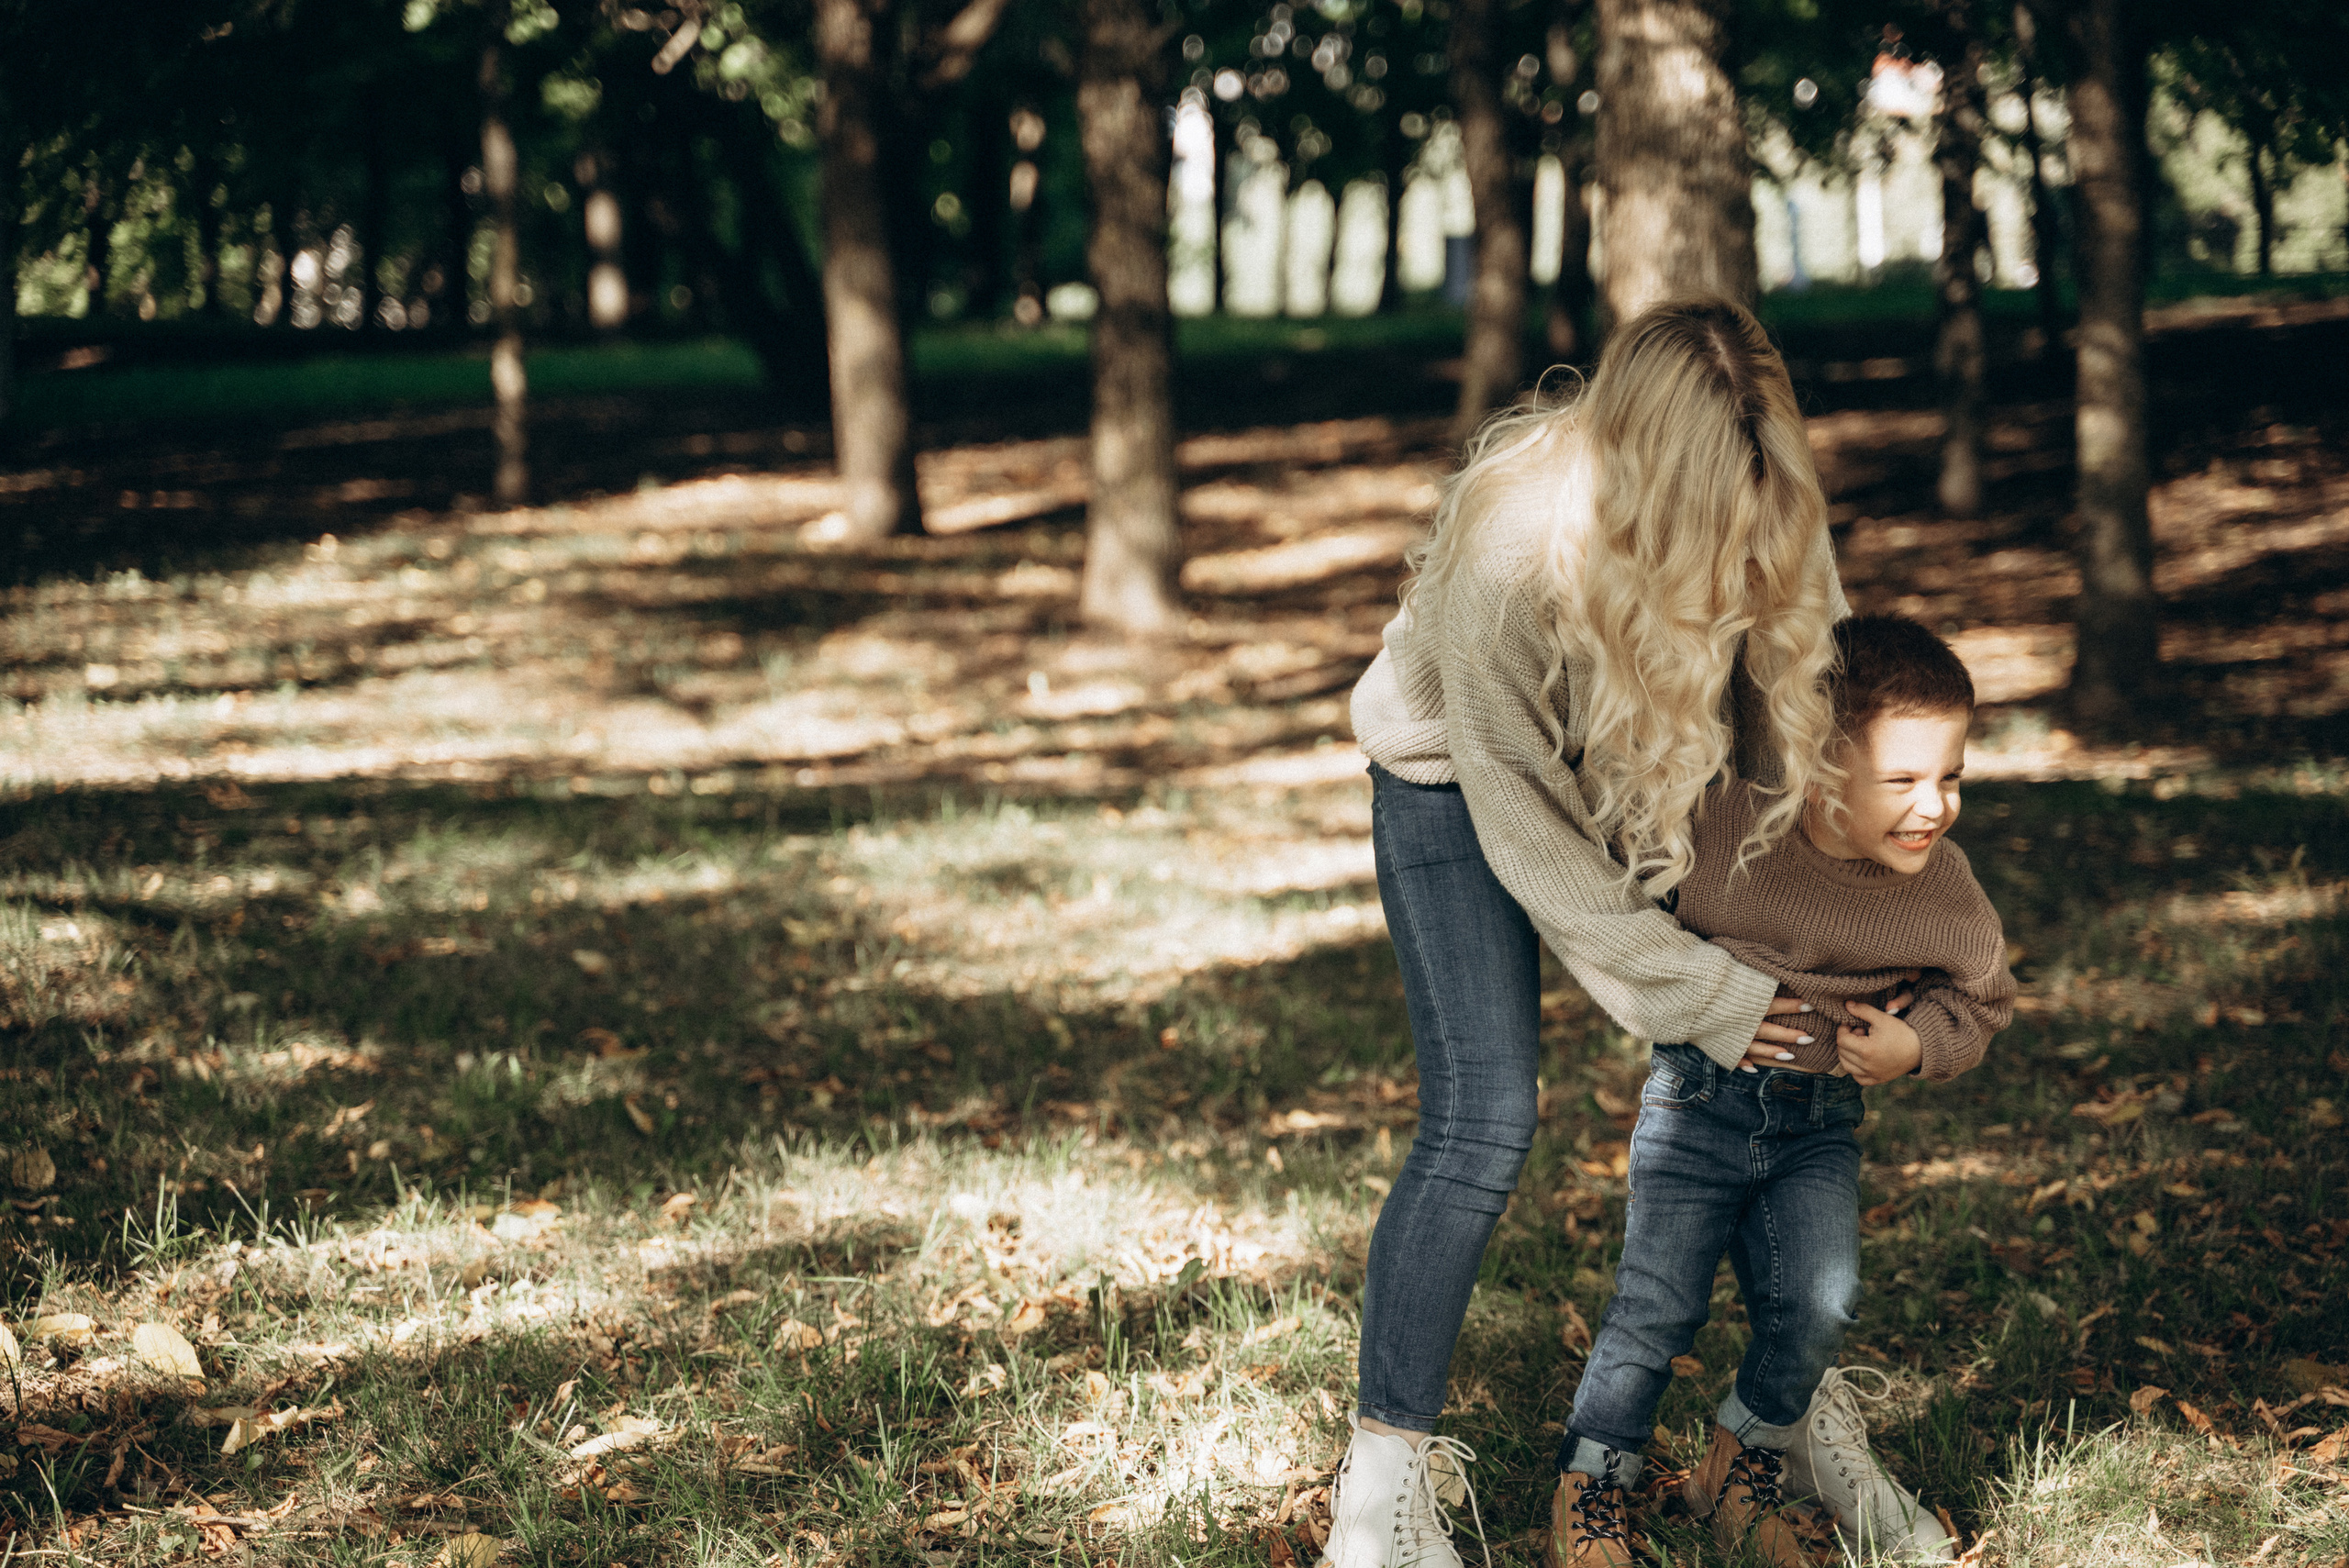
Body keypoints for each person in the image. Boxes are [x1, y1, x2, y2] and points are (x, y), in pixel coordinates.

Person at [1329, 297, 1864, 1568]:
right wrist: (1690, 988)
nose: (1736, 540)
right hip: (1458, 783)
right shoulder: (1512, 547)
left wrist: (1800, 944)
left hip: (1651, 747)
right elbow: (1532, 837)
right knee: (1483, 1120)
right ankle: (1382, 1487)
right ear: (1634, 474)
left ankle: (1778, 1423)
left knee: (1755, 1053)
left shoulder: (1771, 499)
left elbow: (1804, 728)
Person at [1553, 613, 2014, 1568]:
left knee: (1821, 1297)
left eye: (1951, 776)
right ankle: (1595, 1482)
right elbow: (1621, 898)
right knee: (1656, 1305)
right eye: (1902, 780)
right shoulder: (1725, 824)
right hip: (1697, 1101)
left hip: (1817, 1122)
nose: (1932, 806)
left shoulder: (1944, 889)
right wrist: (1685, 988)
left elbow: (1982, 997)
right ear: (1813, 765)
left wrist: (1914, 1041)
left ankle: (1742, 1456)